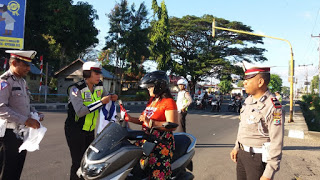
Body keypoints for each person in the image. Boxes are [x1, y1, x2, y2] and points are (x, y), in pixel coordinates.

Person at [230, 61, 284, 180]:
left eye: (248, 79)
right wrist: (237, 147)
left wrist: (268, 173)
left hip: (258, 158)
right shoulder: (248, 100)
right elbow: (242, 126)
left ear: (260, 82)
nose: (244, 82)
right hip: (243, 155)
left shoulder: (273, 106)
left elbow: (277, 140)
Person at [64, 61, 118, 180]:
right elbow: (80, 111)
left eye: (100, 73)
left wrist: (113, 96)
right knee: (77, 162)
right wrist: (100, 102)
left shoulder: (99, 86)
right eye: (96, 73)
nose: (99, 76)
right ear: (87, 74)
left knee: (88, 161)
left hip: (90, 129)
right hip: (75, 129)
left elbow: (107, 95)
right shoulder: (76, 89)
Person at [126, 71, 178, 180]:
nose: (148, 89)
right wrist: (129, 119)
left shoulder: (168, 102)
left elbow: (172, 125)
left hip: (161, 143)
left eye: (150, 87)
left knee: (157, 174)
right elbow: (143, 120)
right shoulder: (152, 101)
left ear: (159, 87)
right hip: (146, 139)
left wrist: (150, 122)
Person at [0, 50, 44, 180]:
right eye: (25, 65)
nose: (28, 68)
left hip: (21, 133)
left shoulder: (22, 82)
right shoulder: (4, 82)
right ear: (14, 63)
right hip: (8, 135)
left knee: (17, 169)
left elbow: (25, 104)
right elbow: (1, 109)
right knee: (6, 171)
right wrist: (26, 120)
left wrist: (34, 113)